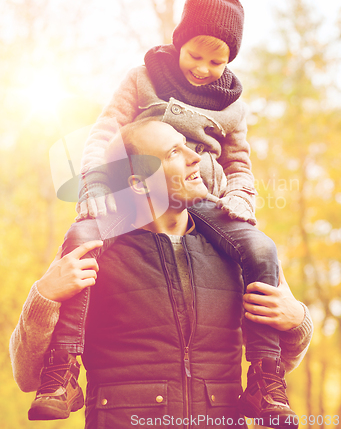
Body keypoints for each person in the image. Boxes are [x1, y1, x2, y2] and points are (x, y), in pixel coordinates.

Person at [10, 121, 313, 429]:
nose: (195, 157)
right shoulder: (91, 255)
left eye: (186, 144)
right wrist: (44, 296)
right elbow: (27, 377)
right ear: (139, 183)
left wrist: (298, 323)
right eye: (173, 152)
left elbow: (274, 376)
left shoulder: (236, 254)